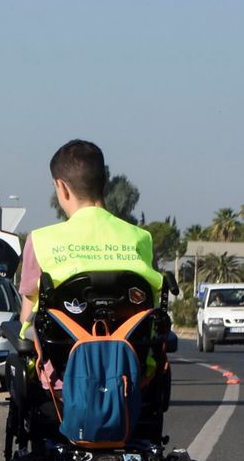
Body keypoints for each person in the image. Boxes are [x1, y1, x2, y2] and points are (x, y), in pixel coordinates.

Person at [16, 139, 163, 354]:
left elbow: (26, 318)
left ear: (62, 187)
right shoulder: (141, 238)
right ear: (104, 182)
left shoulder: (40, 241)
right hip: (132, 362)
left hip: (62, 365)